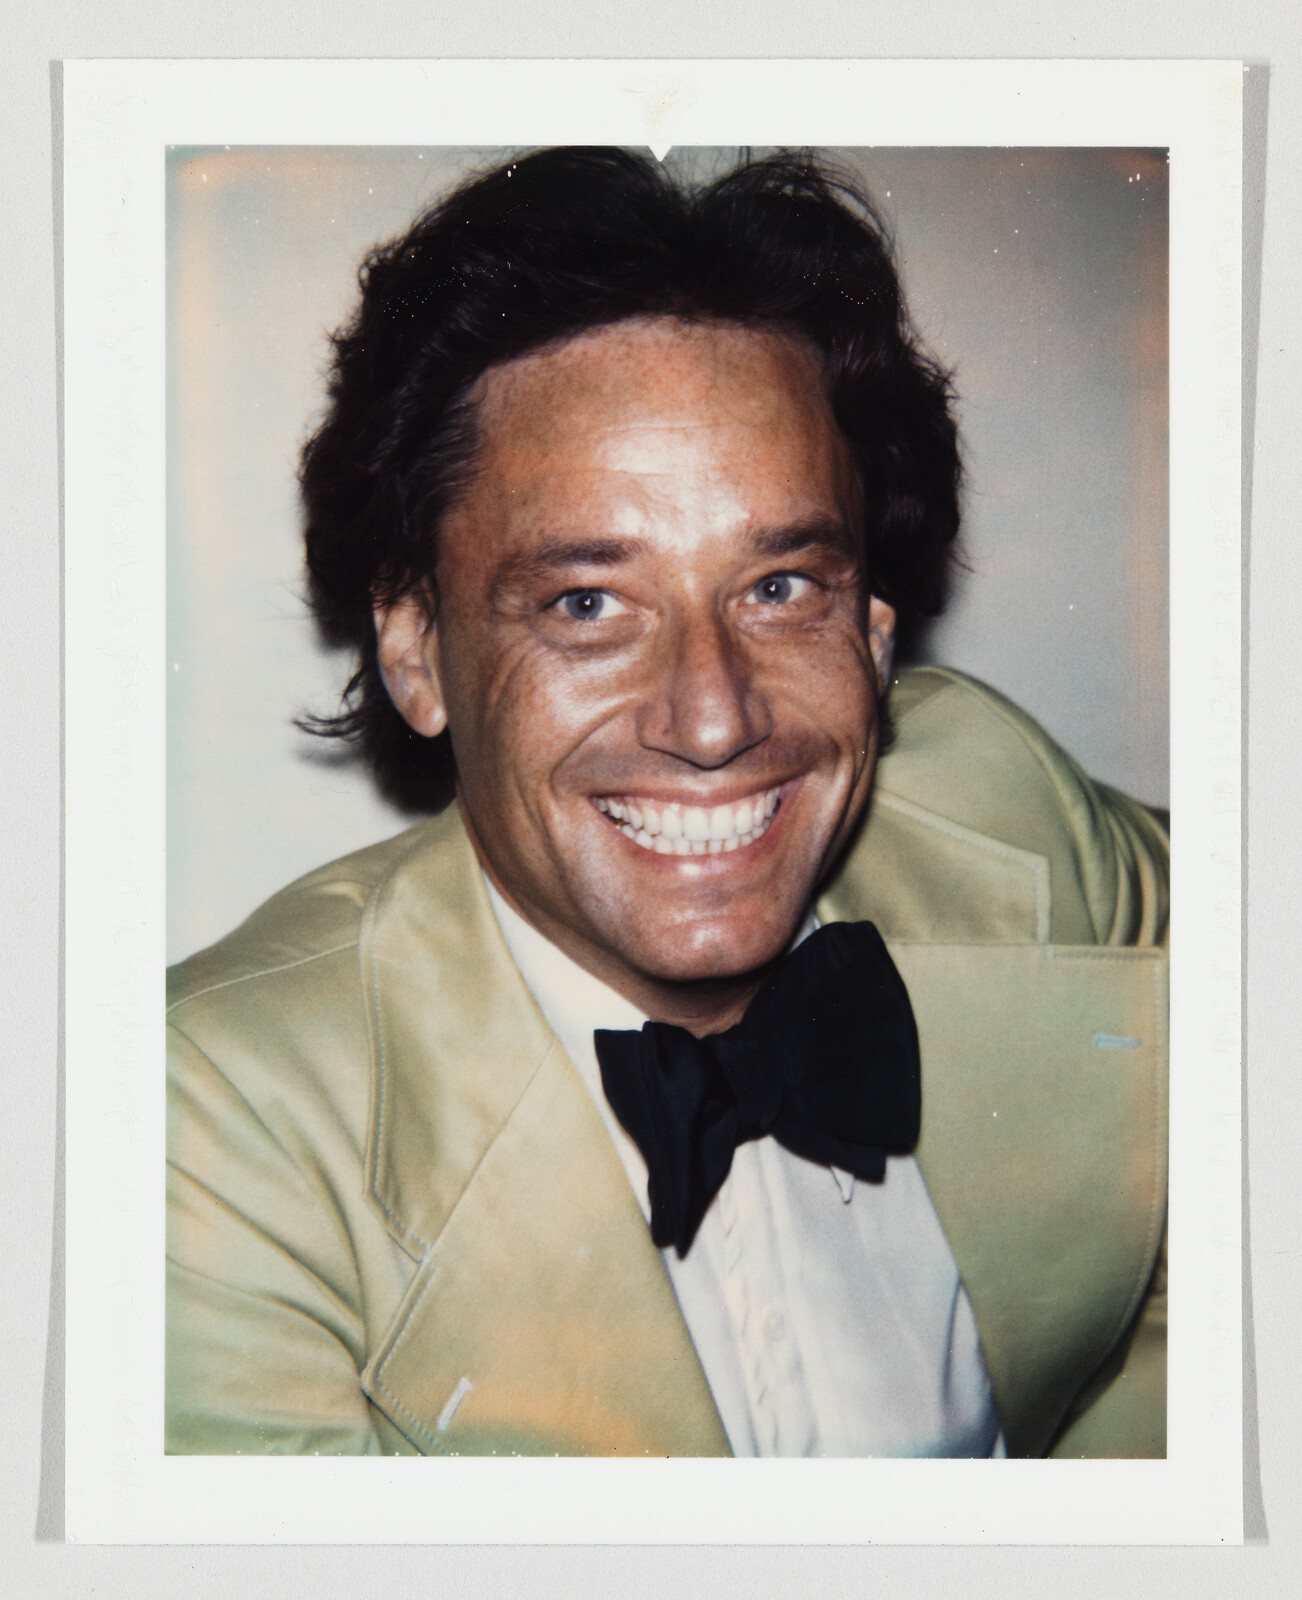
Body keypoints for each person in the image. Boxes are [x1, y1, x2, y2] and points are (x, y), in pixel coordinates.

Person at [165, 146, 1168, 1459]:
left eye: (778, 588)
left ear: (871, 627)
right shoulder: (204, 1135)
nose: (713, 717)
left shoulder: (1008, 815)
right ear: (415, 652)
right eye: (586, 605)